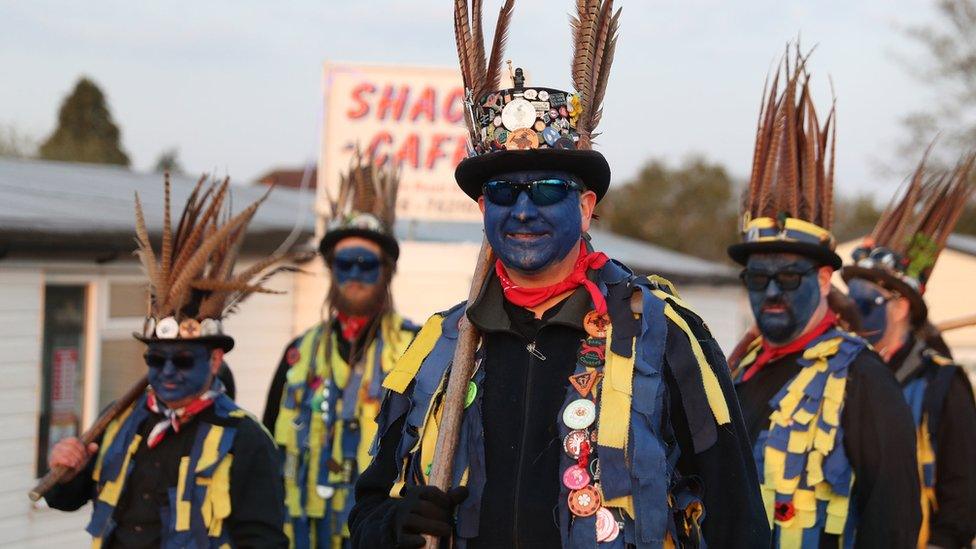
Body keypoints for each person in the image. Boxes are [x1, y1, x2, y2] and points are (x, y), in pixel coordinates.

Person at [348, 1, 770, 547]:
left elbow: (737, 520)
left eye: (548, 190)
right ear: (483, 212)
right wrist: (394, 527)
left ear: (587, 206)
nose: (523, 211)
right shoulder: (441, 346)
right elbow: (367, 511)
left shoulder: (664, 337)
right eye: (502, 192)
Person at [727, 49, 921, 547]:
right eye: (757, 277)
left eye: (789, 278)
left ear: (823, 279)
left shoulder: (864, 380)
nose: (771, 291)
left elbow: (893, 524)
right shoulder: (735, 370)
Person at [44, 176, 288, 547]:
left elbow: (264, 541)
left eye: (184, 360)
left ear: (215, 359)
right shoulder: (119, 419)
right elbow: (67, 500)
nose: (168, 372)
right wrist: (67, 473)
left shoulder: (248, 440)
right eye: (156, 359)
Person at [262, 152, 419, 548]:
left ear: (387, 271)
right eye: (343, 264)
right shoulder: (297, 356)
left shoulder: (418, 349)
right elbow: (269, 454)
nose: (354, 275)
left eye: (366, 264)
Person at [841, 151, 976, 548]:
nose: (850, 311)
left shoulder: (942, 385)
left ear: (900, 307)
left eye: (864, 301)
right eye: (849, 299)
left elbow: (964, 497)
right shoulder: (836, 372)